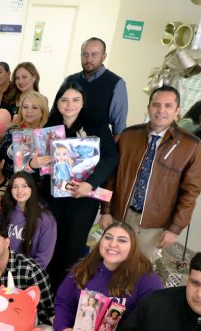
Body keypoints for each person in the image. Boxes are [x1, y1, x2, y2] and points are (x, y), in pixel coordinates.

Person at [100, 85, 201, 261]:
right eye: (156, 105)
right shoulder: (128, 135)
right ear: (149, 108)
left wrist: (175, 229)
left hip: (153, 225)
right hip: (119, 214)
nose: (161, 110)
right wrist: (105, 210)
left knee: (139, 269)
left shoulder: (191, 145)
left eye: (168, 106)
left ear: (177, 110)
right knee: (109, 262)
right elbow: (111, 177)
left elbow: (190, 192)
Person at [43, 82, 118, 289]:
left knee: (72, 248)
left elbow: (111, 157)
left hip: (83, 198)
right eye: (64, 100)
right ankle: (44, 293)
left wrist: (90, 184)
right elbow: (39, 161)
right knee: (51, 244)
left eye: (76, 100)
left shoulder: (97, 125)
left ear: (83, 102)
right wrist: (36, 162)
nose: (70, 105)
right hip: (53, 197)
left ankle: (63, 294)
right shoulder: (50, 126)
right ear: (58, 103)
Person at [60, 37, 128, 139]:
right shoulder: (69, 80)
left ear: (104, 57)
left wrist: (108, 148)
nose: (88, 59)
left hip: (97, 145)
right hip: (64, 144)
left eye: (94, 54)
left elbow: (119, 129)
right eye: (85, 54)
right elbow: (55, 114)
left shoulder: (116, 84)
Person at [0, 171, 56, 268]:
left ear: (32, 189)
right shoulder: (5, 211)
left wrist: (24, 275)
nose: (19, 190)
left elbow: (43, 258)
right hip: (1, 266)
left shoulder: (46, 220)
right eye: (15, 187)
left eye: (24, 186)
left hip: (27, 272)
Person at [0, 90, 49, 178]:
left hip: (40, 182)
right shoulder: (13, 130)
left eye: (34, 107)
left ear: (42, 112)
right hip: (13, 180)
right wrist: (19, 147)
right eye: (25, 107)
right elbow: (4, 152)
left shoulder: (48, 133)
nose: (29, 111)